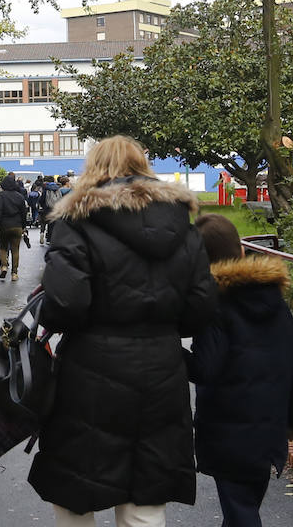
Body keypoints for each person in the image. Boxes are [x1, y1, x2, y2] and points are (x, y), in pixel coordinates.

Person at [29, 135, 218, 527]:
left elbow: (65, 305)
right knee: (145, 491)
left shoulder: (75, 222)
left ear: (93, 168)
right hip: (162, 370)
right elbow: (201, 306)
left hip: (88, 372)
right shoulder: (183, 227)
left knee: (76, 488)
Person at [187, 215, 293, 527]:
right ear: (241, 251)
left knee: (241, 514)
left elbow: (205, 367)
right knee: (243, 509)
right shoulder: (274, 299)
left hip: (228, 432)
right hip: (268, 431)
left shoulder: (216, 303)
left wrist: (165, 351)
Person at [0, 174, 28, 280]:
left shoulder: (2, 196)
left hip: (3, 226)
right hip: (17, 226)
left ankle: (4, 266)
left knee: (3, 247)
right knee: (15, 250)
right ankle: (14, 273)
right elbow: (23, 213)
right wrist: (23, 226)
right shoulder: (20, 196)